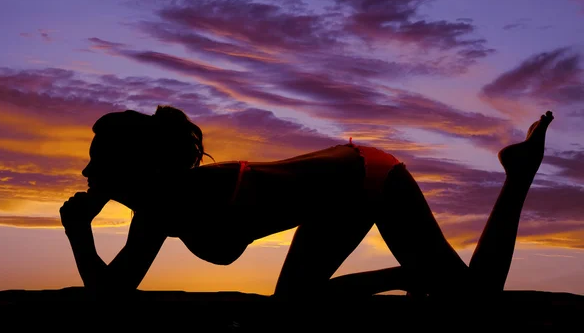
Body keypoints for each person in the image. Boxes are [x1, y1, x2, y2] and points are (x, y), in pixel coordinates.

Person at [60, 105, 554, 298]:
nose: (87, 174)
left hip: (363, 177)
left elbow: (110, 297)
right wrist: (80, 233)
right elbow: (113, 292)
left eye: (97, 163)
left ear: (139, 168)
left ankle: (519, 174)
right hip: (338, 190)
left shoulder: (173, 203)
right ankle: (520, 171)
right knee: (295, 303)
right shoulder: (158, 209)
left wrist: (80, 233)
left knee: (476, 301)